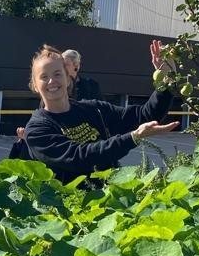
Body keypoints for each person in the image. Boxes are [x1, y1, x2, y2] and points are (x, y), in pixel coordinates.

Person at [22, 41, 179, 183]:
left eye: (57, 74)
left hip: (111, 201)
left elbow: (144, 116)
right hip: (70, 209)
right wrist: (132, 138)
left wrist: (166, 79)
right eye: (44, 77)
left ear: (68, 78)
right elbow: (79, 157)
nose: (52, 81)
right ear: (35, 85)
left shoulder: (93, 109)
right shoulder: (37, 130)